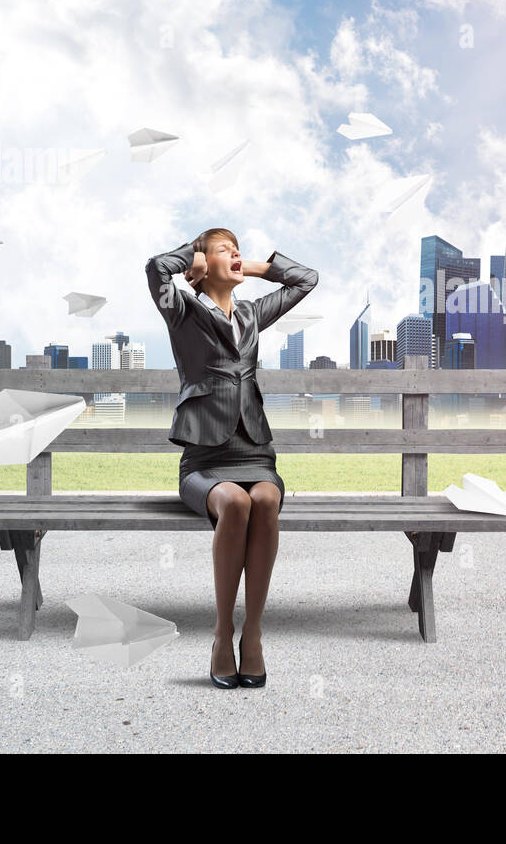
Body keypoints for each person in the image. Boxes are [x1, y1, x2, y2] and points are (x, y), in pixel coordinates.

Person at [144, 228, 318, 689]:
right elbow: (156, 267)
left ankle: (254, 634)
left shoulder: (251, 313)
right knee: (236, 504)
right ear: (202, 265)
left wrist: (255, 267)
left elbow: (306, 280)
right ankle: (223, 634)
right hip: (204, 463)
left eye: (236, 248)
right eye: (226, 249)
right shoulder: (181, 309)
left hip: (256, 454)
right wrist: (193, 260)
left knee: (262, 499)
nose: (235, 254)